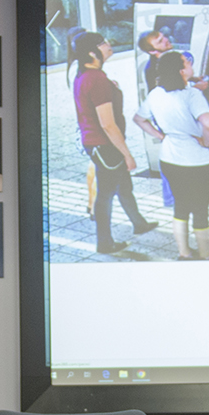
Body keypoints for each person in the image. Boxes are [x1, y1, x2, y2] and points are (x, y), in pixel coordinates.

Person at [68, 29, 158, 254]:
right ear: (92, 52)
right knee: (106, 193)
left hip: (98, 143)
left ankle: (139, 223)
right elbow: (107, 124)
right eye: (103, 43)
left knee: (123, 185)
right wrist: (127, 154)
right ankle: (104, 243)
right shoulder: (96, 79)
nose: (109, 45)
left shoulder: (86, 75)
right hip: (104, 144)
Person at [144, 51, 209, 260]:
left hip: (169, 159)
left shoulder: (156, 93)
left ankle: (184, 253)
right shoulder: (193, 95)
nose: (189, 62)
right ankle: (205, 255)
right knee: (200, 209)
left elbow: (140, 119)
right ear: (180, 71)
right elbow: (208, 124)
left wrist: (160, 136)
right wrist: (207, 141)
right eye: (186, 62)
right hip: (197, 161)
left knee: (180, 207)